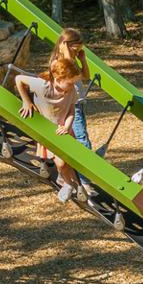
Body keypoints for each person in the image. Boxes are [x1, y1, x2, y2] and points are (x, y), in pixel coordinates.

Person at [16, 52, 90, 203]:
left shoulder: (71, 90)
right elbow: (19, 79)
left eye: (74, 83)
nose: (71, 87)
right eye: (69, 83)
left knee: (67, 162)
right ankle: (68, 184)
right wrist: (26, 101)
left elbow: (70, 110)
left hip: (63, 130)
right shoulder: (43, 86)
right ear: (58, 79)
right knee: (61, 163)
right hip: (48, 131)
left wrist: (68, 125)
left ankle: (70, 183)